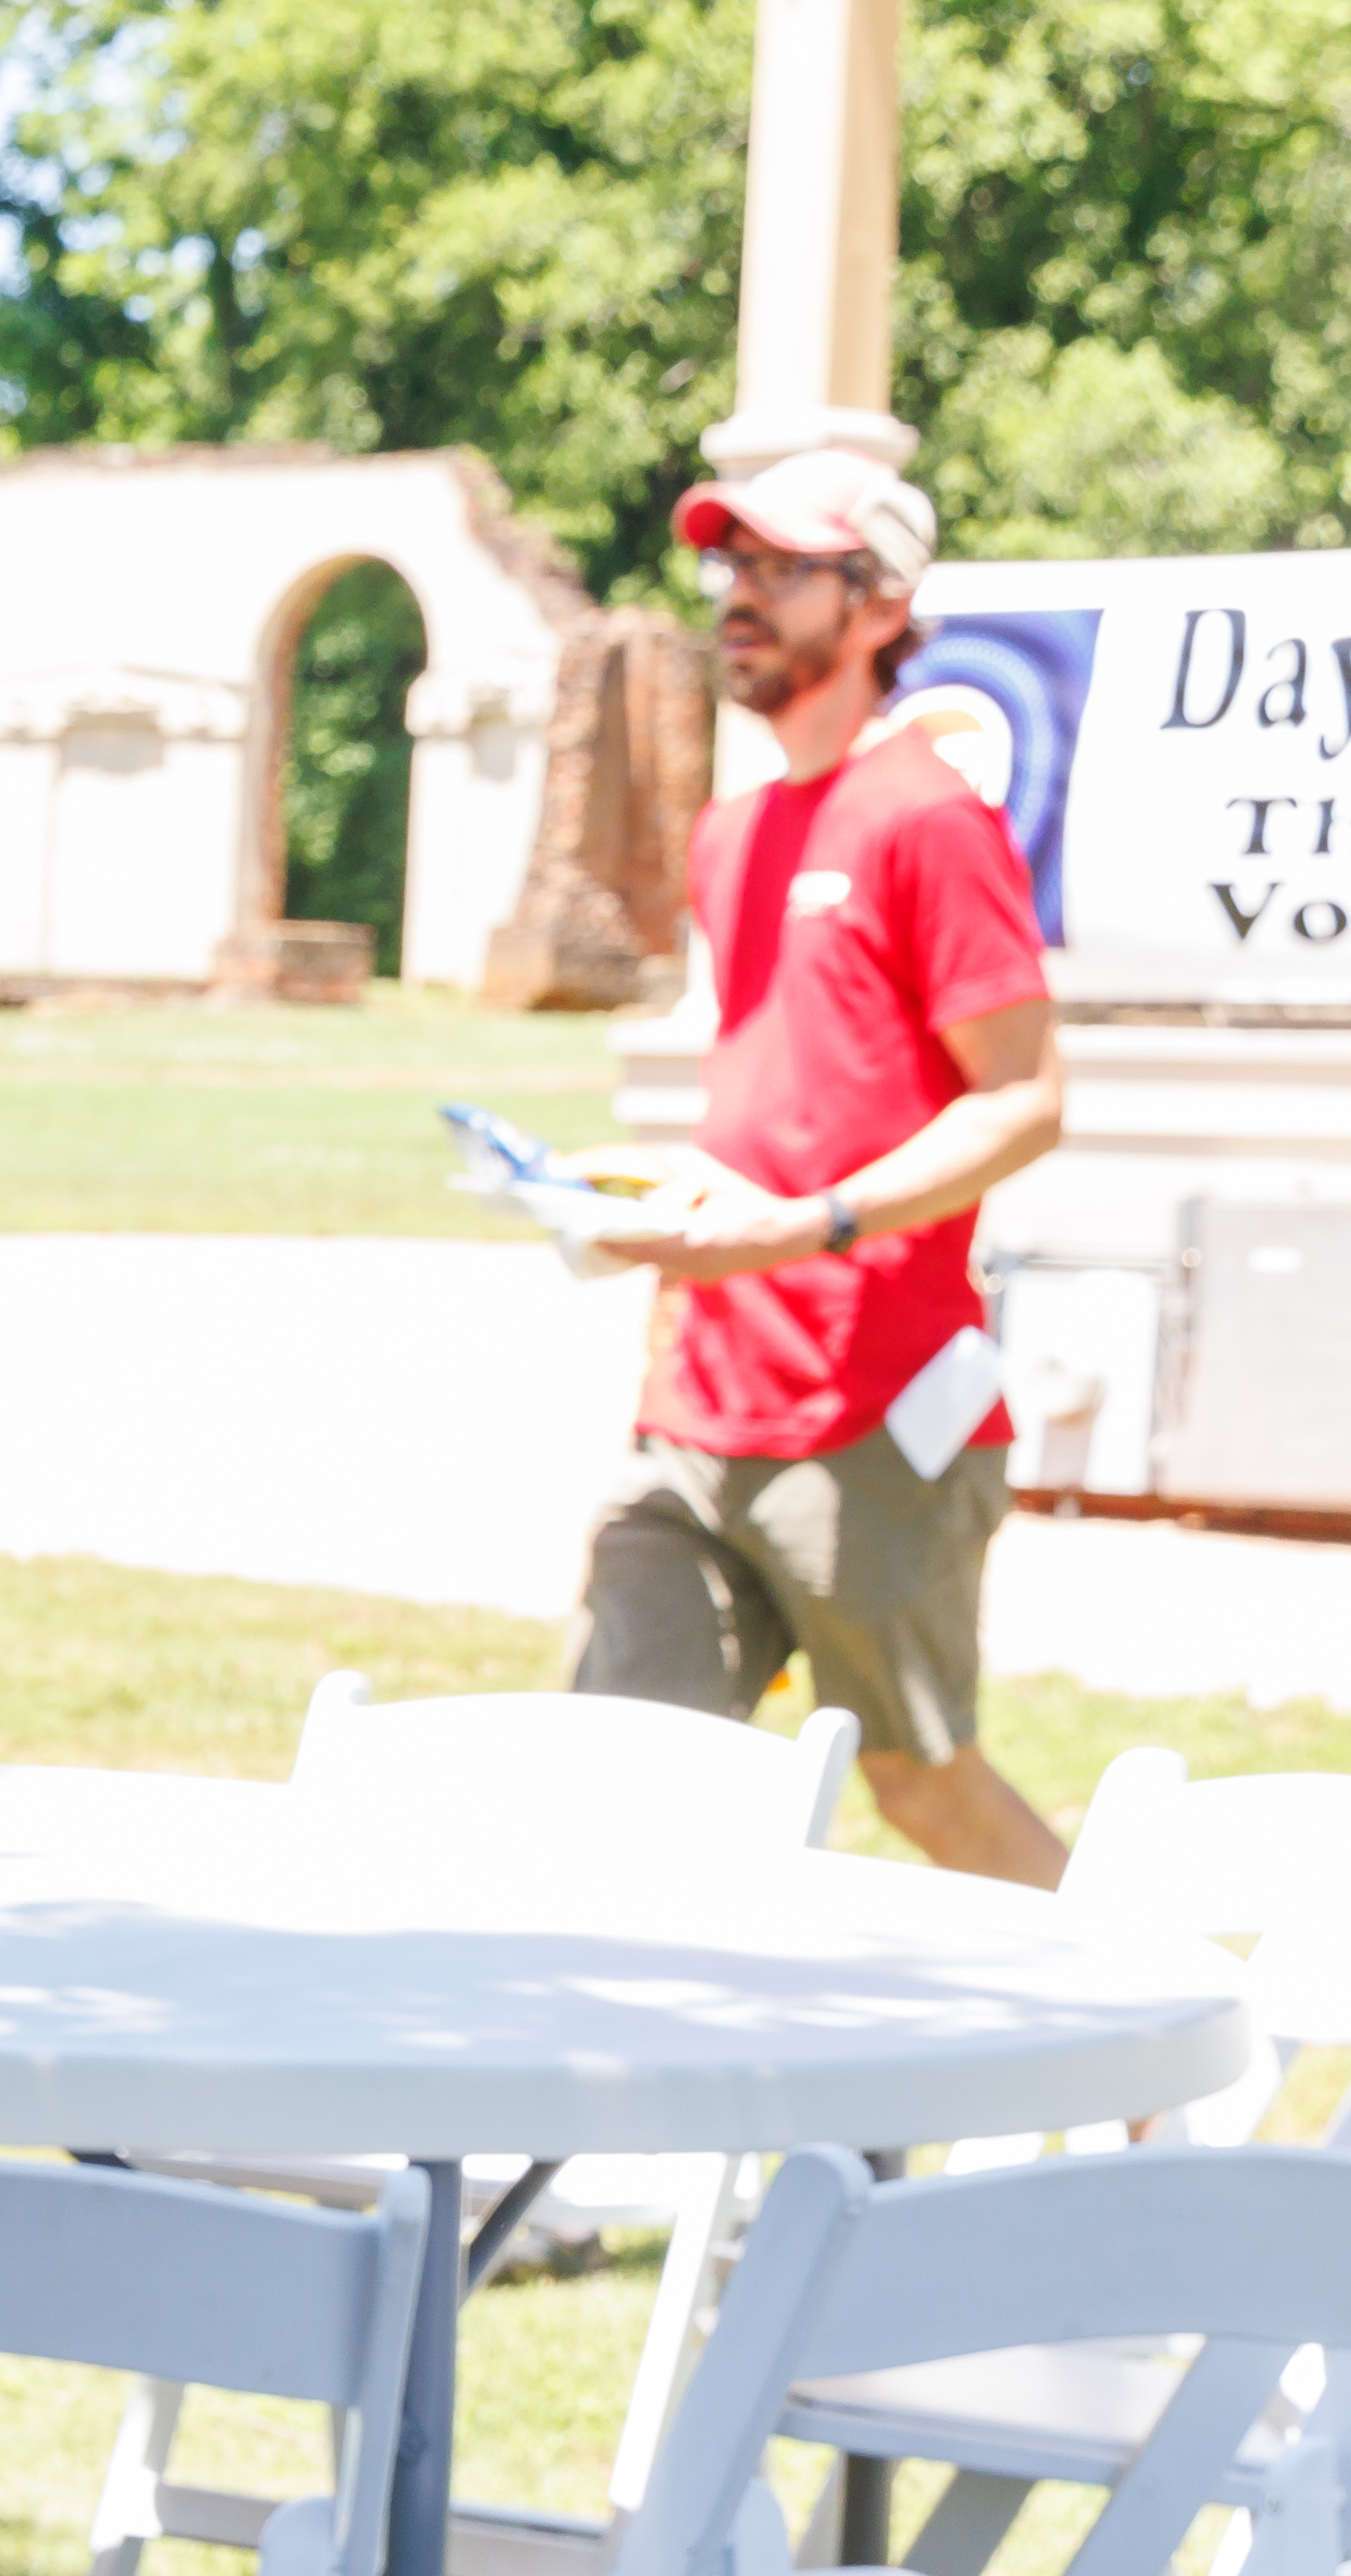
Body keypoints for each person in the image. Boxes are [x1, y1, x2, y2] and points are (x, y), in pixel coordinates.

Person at [568, 448, 1073, 1885]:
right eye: (730, 562)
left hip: (871, 1411)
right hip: (697, 1405)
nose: (738, 593)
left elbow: (1024, 1102)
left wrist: (812, 1222)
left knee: (921, 1787)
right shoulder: (733, 833)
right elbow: (785, 1094)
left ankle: (1154, 2006)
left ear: (879, 603)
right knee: (611, 1773)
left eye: (783, 567)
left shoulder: (927, 818)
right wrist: (653, 1196)